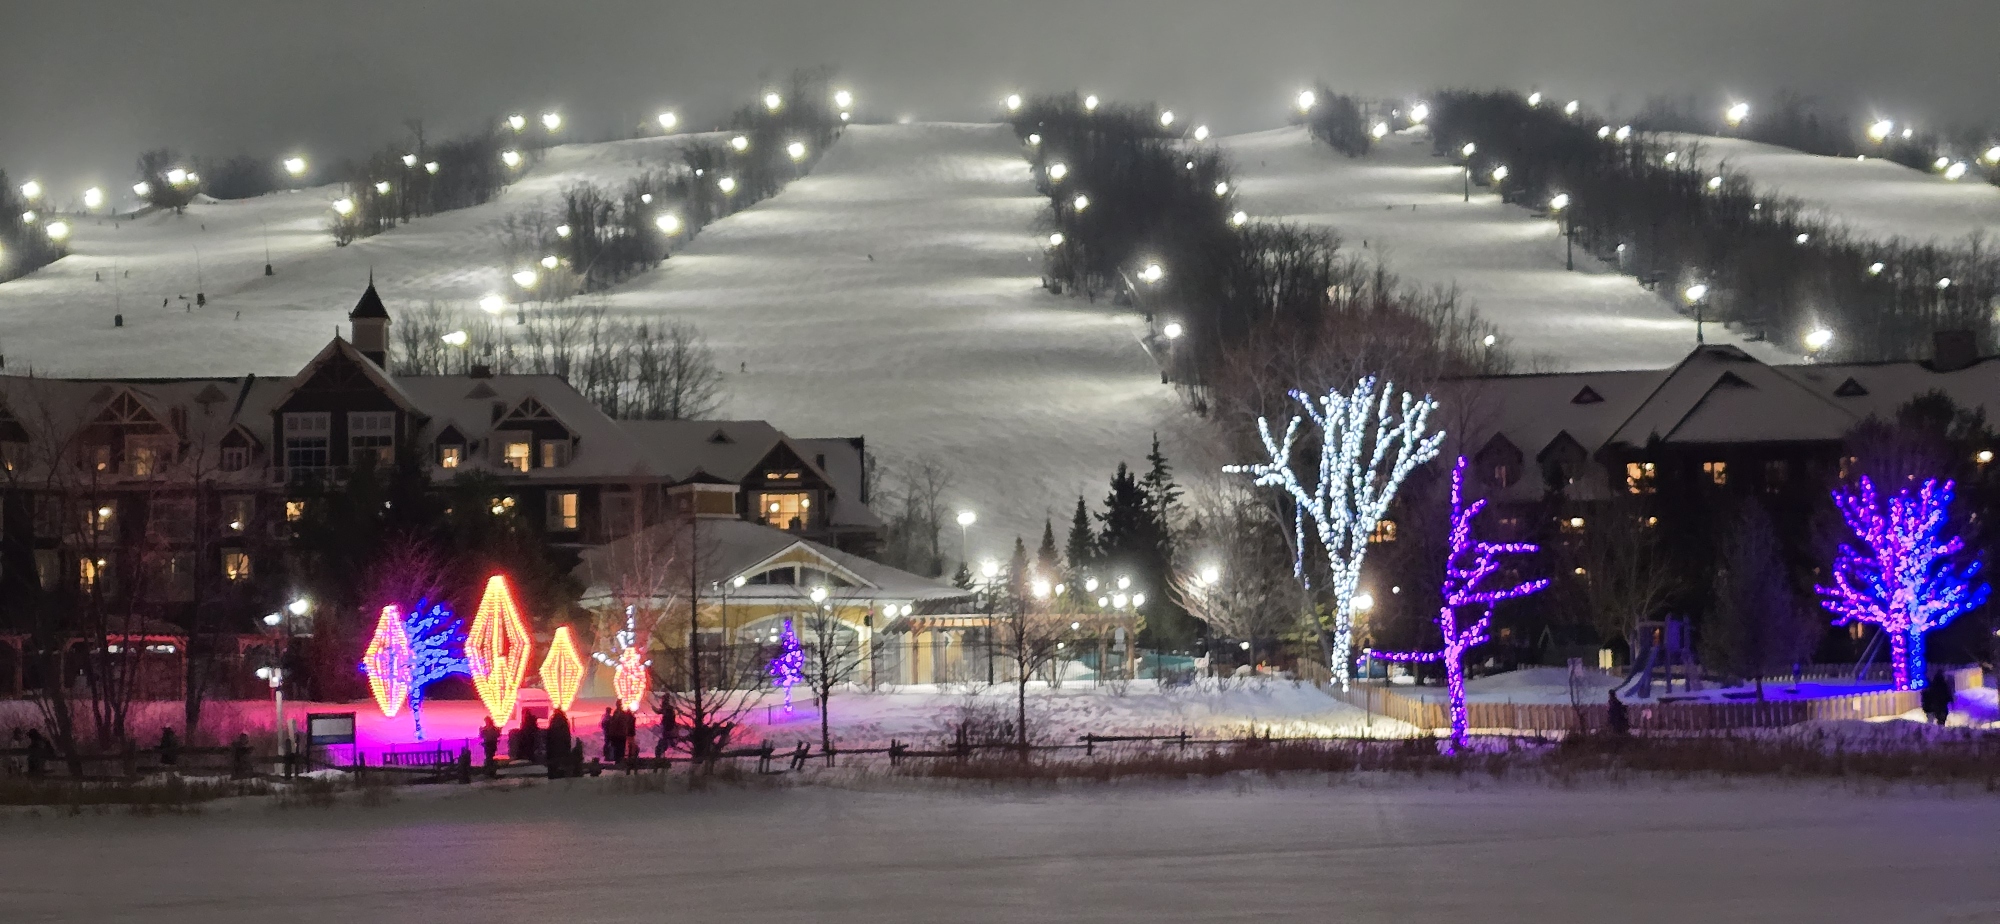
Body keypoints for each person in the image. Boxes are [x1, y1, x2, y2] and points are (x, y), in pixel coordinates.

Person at [545, 709, 571, 779]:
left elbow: (549, 738)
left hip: (553, 750)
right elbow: (567, 739)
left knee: (553, 767)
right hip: (562, 750)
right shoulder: (564, 724)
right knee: (561, 767)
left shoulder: (553, 723)